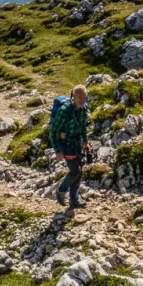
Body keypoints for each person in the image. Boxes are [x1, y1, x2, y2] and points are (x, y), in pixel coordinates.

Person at [49, 84, 91, 212]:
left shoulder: (84, 109)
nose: (81, 99)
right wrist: (57, 150)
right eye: (79, 97)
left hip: (77, 143)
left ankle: (74, 200)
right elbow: (53, 131)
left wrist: (86, 142)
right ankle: (61, 191)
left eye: (84, 97)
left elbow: (83, 127)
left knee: (79, 171)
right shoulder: (64, 110)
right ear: (73, 96)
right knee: (75, 171)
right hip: (65, 144)